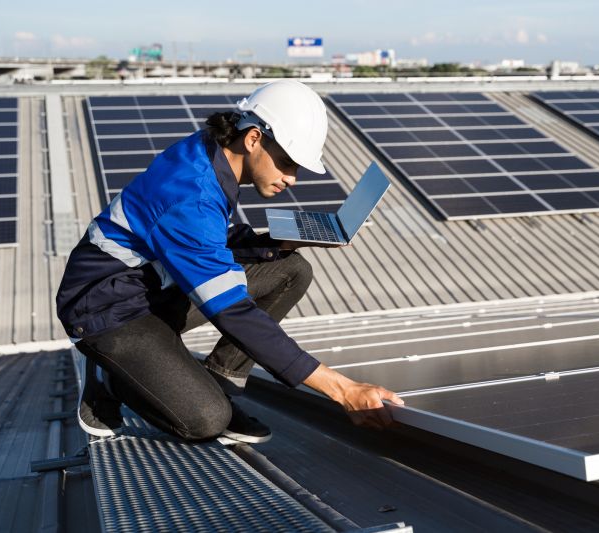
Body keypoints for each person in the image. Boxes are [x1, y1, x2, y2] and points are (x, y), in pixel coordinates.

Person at [56, 80, 403, 444]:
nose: (292, 179)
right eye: (287, 163)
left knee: (290, 269)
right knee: (206, 421)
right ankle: (111, 377)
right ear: (253, 138)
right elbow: (232, 310)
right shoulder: (190, 194)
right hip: (108, 311)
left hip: (152, 286)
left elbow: (204, 242)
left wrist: (274, 243)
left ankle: (219, 382)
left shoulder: (211, 151)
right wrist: (342, 389)